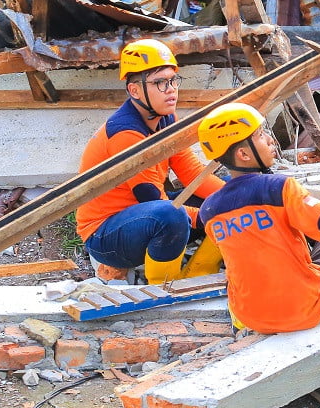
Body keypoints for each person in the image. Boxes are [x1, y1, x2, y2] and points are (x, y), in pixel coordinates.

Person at [195, 102, 320, 334]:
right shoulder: (279, 188)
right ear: (243, 154)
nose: (271, 140)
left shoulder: (209, 210)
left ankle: (242, 319)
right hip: (304, 310)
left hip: (250, 317)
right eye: (260, 135)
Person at [77, 39, 226, 283]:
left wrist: (238, 197)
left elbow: (192, 174)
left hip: (144, 217)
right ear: (134, 90)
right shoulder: (125, 134)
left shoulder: (165, 119)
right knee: (171, 214)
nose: (171, 89)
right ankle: (162, 285)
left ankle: (201, 268)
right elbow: (151, 197)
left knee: (230, 188)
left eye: (172, 80)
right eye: (159, 83)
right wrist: (208, 214)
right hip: (107, 235)